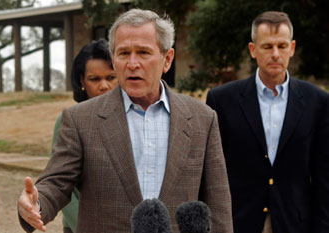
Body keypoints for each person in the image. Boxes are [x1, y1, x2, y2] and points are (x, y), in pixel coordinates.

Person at [18, 8, 233, 232]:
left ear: (167, 59)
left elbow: (218, 205)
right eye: (123, 53)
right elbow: (56, 183)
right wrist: (37, 203)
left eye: (143, 53)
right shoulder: (81, 120)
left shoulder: (202, 119)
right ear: (114, 59)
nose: (132, 63)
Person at [206, 11, 329, 233]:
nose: (275, 54)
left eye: (282, 46)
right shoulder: (222, 100)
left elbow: (323, 177)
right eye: (267, 46)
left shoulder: (317, 102)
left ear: (292, 48)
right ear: (253, 50)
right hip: (238, 222)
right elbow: (212, 173)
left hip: (296, 224)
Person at [52, 39, 117, 233]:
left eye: (111, 77)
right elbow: (63, 185)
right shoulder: (68, 120)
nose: (104, 85)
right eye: (94, 79)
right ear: (82, 81)